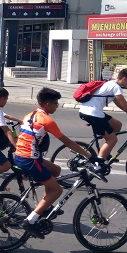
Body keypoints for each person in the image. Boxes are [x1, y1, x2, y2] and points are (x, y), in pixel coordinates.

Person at [14, 88, 96, 239]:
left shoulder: (29, 115)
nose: (57, 106)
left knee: (56, 170)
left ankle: (45, 207)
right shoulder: (47, 121)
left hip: (20, 156)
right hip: (31, 159)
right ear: (46, 104)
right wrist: (89, 155)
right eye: (55, 103)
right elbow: (67, 142)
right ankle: (30, 221)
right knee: (57, 191)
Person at [78, 69, 127, 161]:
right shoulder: (115, 87)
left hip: (88, 111)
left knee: (117, 125)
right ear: (124, 79)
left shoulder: (111, 83)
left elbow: (121, 106)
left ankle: (105, 152)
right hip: (93, 114)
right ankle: (98, 165)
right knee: (112, 140)